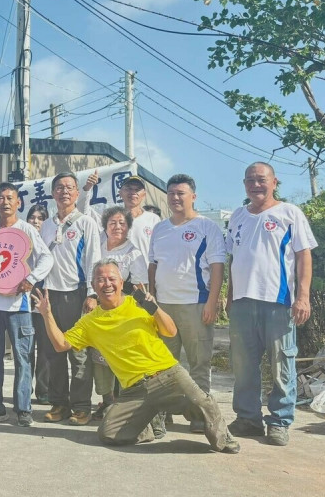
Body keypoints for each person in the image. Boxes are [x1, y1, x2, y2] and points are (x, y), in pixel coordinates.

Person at [34, 260, 240, 454]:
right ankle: (148, 423)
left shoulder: (139, 303)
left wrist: (155, 308)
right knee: (108, 433)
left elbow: (170, 332)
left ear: (121, 282)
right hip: (134, 390)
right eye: (101, 279)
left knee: (202, 402)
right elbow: (61, 345)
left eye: (112, 278)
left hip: (169, 376)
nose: (107, 283)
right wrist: (46, 314)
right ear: (93, 286)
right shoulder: (89, 323)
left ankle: (223, 439)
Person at [225, 162, 317, 447]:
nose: (256, 184)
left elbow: (304, 256)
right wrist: (229, 296)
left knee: (281, 363)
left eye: (261, 179)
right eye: (250, 180)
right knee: (243, 365)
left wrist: (302, 296)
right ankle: (248, 419)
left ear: (274, 182)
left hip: (278, 302)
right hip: (242, 302)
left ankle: (279, 421)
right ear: (244, 184)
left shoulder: (289, 213)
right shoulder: (238, 216)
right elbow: (232, 259)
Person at [148, 174, 225, 433]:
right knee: (164, 363)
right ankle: (165, 413)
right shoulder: (160, 228)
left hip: (195, 303)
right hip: (164, 306)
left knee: (198, 363)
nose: (175, 198)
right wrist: (153, 301)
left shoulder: (207, 227)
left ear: (193, 196)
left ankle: (200, 415)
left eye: (181, 193)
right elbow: (153, 265)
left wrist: (212, 302)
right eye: (171, 193)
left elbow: (217, 267)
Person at [0, 183, 54, 427]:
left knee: (22, 357)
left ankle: (23, 409)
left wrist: (30, 279)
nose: (5, 202)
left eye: (10, 197)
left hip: (19, 305)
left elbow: (46, 257)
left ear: (18, 203)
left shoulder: (26, 229)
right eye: (1, 198)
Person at [39, 173, 101, 427]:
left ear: (77, 193)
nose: (64, 192)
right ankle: (59, 404)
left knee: (79, 355)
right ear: (53, 193)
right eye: (60, 188)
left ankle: (82, 407)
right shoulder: (46, 225)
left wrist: (92, 294)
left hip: (77, 294)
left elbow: (94, 259)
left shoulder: (86, 222)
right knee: (52, 352)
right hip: (50, 294)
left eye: (70, 188)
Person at [92, 205, 150, 418]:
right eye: (112, 223)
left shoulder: (133, 253)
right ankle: (107, 400)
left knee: (123, 357)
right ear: (105, 226)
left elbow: (140, 287)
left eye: (122, 223)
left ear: (128, 227)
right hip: (98, 311)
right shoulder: (97, 246)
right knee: (100, 358)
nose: (117, 227)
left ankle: (125, 404)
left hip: (124, 313)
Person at [25, 204, 50, 405]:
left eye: (40, 218)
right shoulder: (22, 243)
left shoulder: (51, 241)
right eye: (32, 217)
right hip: (25, 297)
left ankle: (44, 390)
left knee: (44, 347)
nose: (36, 221)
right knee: (26, 347)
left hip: (46, 296)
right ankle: (26, 389)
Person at [118, 176, 160, 268]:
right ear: (120, 193)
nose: (133, 193)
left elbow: (159, 251)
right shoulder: (112, 218)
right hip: (118, 277)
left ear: (144, 194)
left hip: (144, 278)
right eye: (129, 189)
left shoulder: (153, 219)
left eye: (137, 190)